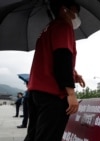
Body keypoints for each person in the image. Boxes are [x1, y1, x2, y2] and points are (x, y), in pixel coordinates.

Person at [24, 0, 85, 141]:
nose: (76, 16)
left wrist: (74, 73)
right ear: (64, 9)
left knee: (34, 135)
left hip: (36, 92)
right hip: (53, 95)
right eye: (75, 12)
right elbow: (62, 57)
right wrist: (71, 93)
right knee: (49, 136)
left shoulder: (48, 29)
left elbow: (49, 59)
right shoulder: (64, 27)